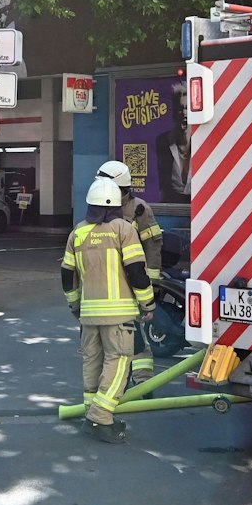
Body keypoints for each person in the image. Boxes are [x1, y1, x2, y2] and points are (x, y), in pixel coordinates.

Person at [62, 178, 153, 443]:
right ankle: (101, 417)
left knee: (92, 361)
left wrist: (75, 304)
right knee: (118, 362)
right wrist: (147, 303)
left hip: (88, 315)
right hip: (119, 316)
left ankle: (92, 413)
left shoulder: (77, 232)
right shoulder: (123, 229)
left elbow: (67, 274)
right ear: (115, 204)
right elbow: (137, 271)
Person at [97, 159, 161, 383]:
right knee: (103, 341)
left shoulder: (139, 209)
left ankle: (143, 383)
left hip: (131, 284)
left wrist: (151, 286)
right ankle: (113, 385)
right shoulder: (99, 207)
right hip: (103, 286)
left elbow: (153, 247)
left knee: (134, 337)